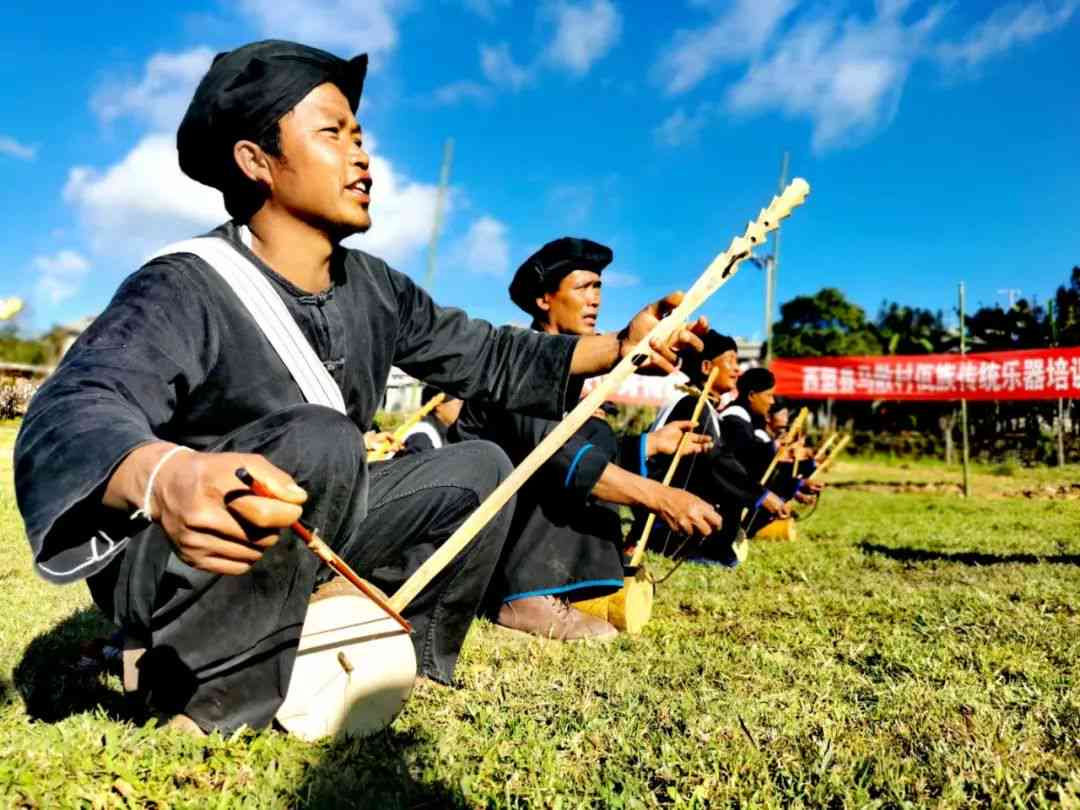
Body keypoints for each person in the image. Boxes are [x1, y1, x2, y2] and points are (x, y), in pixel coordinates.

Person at [13, 40, 708, 734]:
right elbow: (72, 410)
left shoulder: (375, 289)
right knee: (319, 435)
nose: (362, 155)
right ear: (256, 161)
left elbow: (492, 356)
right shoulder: (184, 283)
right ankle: (208, 700)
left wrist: (621, 346)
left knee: (480, 467)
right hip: (181, 559)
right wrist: (163, 474)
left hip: (315, 527)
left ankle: (408, 654)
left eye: (360, 136)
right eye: (331, 134)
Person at [453, 238, 719, 640]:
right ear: (545, 300)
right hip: (476, 531)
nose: (595, 299)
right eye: (583, 287)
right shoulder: (523, 363)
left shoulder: (572, 382)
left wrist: (648, 445)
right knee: (570, 452)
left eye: (599, 288)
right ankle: (523, 596)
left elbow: (583, 450)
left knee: (594, 430)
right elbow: (556, 455)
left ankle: (563, 585)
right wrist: (662, 497)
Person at [633, 333, 789, 565]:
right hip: (665, 522)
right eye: (731, 360)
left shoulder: (704, 405)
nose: (737, 369)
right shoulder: (692, 404)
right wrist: (762, 496)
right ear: (707, 367)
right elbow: (716, 461)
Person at [719, 368, 819, 534]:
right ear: (751, 395)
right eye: (769, 395)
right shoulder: (734, 419)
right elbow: (745, 460)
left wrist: (799, 483)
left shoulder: (746, 421)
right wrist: (775, 449)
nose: (772, 401)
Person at [396, 385, 462, 456]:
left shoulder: (446, 433)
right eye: (459, 404)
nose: (461, 409)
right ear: (439, 405)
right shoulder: (422, 436)